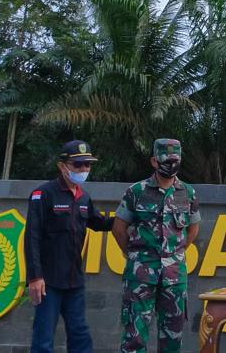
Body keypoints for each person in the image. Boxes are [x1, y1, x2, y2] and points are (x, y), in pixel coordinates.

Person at [25, 140, 115, 353]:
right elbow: (32, 237)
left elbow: (99, 223)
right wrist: (35, 277)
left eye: (87, 165)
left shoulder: (84, 197)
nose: (84, 169)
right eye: (78, 165)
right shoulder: (43, 194)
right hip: (48, 281)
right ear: (62, 166)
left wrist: (127, 217)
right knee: (44, 337)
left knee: (80, 334)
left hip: (74, 281)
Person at [112, 138, 201, 353]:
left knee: (173, 336)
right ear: (154, 161)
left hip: (174, 277)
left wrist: (174, 254)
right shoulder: (136, 191)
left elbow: (193, 228)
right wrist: (135, 255)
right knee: (135, 335)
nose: (171, 164)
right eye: (166, 160)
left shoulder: (187, 193)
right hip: (141, 275)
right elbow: (118, 228)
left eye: (175, 160)